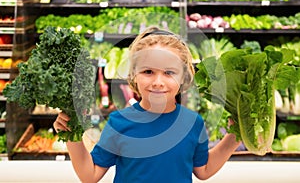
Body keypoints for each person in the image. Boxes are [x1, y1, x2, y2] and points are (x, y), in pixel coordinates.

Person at [53, 26, 241, 183]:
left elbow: (204, 170)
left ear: (183, 76)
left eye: (169, 73)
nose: (158, 82)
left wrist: (234, 137)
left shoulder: (193, 123)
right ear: (134, 74)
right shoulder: (119, 122)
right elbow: (90, 174)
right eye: (148, 71)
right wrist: (72, 135)